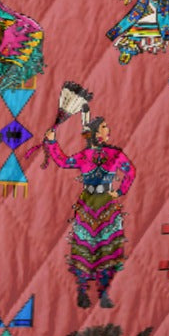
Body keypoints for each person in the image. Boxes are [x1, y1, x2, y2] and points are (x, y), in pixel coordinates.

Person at [41, 116, 135, 309]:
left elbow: (130, 171)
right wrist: (51, 142)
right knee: (84, 245)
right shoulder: (85, 155)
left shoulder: (114, 154)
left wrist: (120, 191)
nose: (108, 130)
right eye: (104, 127)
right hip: (87, 206)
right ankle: (82, 290)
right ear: (95, 132)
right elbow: (63, 162)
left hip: (107, 205)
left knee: (107, 246)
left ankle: (104, 291)